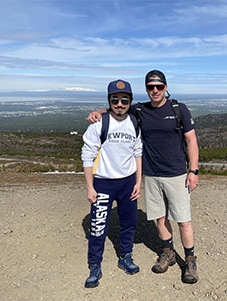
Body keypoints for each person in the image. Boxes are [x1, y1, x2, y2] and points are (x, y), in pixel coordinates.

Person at [87, 70, 200, 284]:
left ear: (166, 87)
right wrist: (98, 112)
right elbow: (119, 109)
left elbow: (191, 140)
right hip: (151, 174)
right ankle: (168, 252)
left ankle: (190, 260)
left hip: (176, 174)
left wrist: (193, 171)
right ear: (146, 89)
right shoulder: (141, 109)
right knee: (160, 218)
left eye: (159, 86)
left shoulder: (179, 109)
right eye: (150, 87)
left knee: (183, 221)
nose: (155, 90)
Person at [81, 79, 143, 288]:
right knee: (98, 226)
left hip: (127, 183)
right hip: (103, 182)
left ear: (130, 101)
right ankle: (95, 264)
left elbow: (138, 153)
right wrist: (90, 187)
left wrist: (138, 182)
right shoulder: (99, 123)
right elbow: (87, 156)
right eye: (115, 100)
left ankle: (125, 255)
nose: (119, 104)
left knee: (128, 222)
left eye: (124, 100)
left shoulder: (134, 123)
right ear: (109, 101)